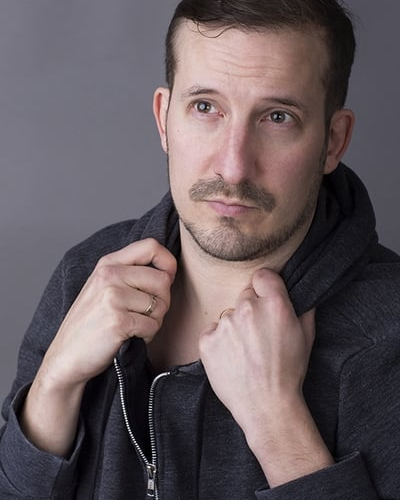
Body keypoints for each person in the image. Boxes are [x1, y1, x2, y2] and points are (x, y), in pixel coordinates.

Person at [1, 0, 400, 498]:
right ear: (164, 118)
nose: (233, 167)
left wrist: (278, 424)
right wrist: (55, 384)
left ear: (333, 141)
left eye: (278, 117)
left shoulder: (388, 335)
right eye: (206, 108)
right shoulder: (86, 275)